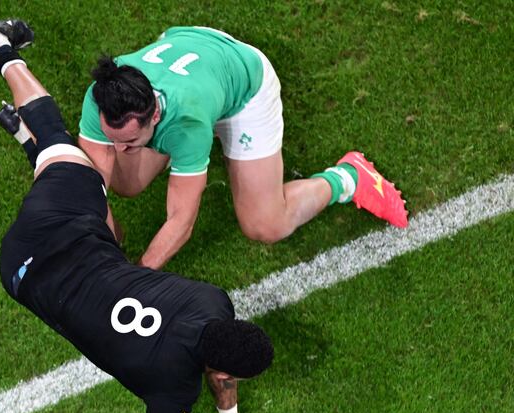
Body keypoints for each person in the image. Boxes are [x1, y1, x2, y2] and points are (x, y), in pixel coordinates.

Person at [0, 15, 288, 413]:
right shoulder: (170, 384)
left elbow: (217, 362)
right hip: (23, 271)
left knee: (62, 148)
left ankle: (2, 55)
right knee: (89, 197)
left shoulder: (210, 300)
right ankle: (25, 130)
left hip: (62, 227)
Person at [78, 27, 409, 270]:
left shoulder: (188, 124)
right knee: (125, 181)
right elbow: (92, 190)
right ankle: (182, 154)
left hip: (243, 85)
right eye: (114, 139)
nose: (119, 150)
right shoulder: (102, 96)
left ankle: (349, 177)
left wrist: (136, 277)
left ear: (155, 115)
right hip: (189, 51)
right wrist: (107, 247)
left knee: (265, 224)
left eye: (129, 141)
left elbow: (181, 221)